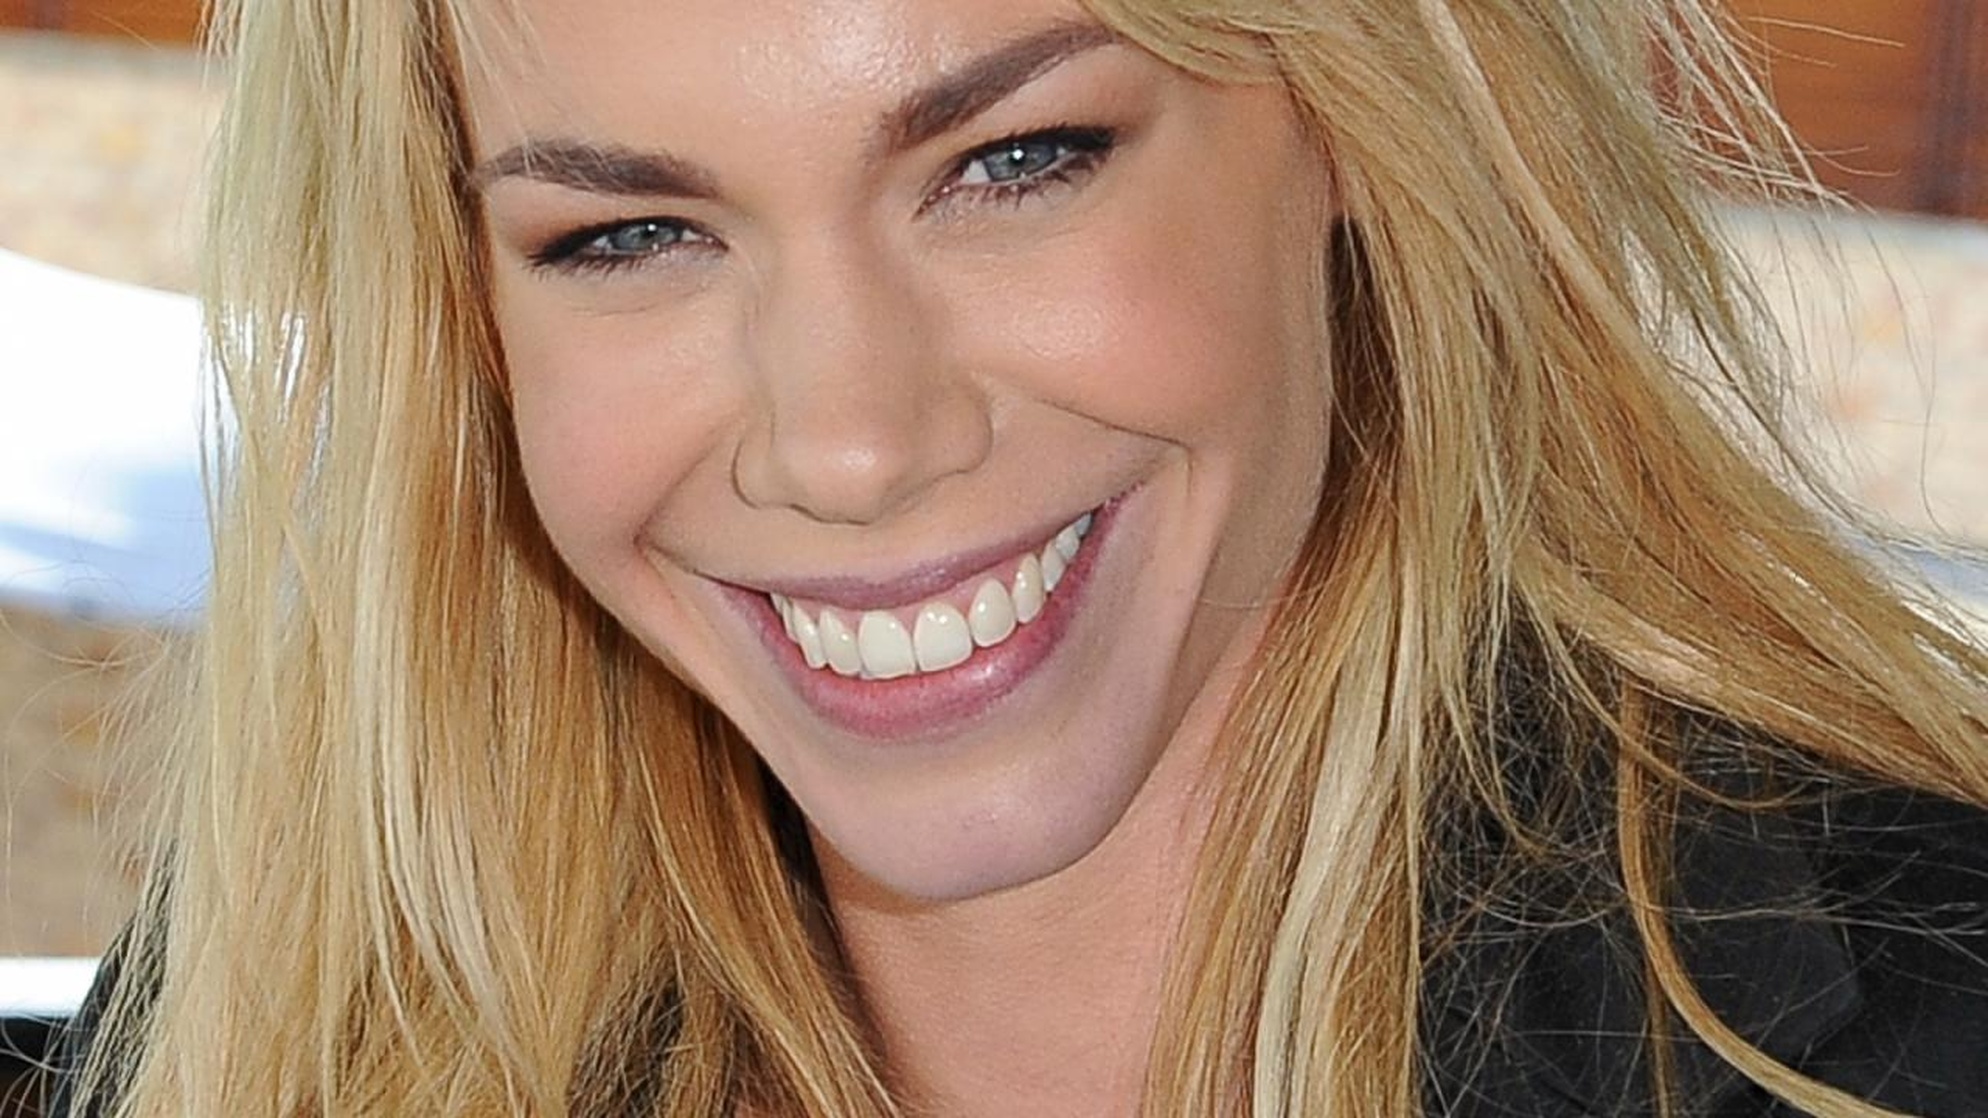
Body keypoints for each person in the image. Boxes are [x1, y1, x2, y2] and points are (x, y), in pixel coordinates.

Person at [50, 0, 1988, 1114]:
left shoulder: (1918, 1020)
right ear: (466, 316)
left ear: (1354, 125)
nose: (848, 442)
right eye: (627, 237)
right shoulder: (284, 1015)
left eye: (1013, 161)